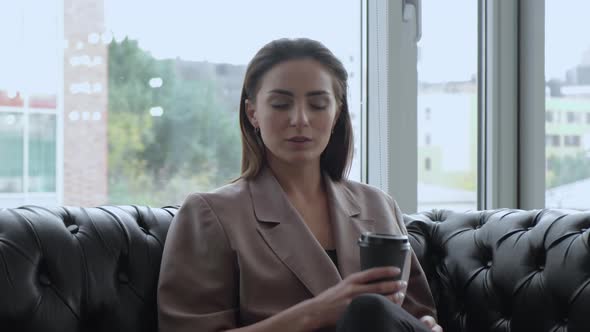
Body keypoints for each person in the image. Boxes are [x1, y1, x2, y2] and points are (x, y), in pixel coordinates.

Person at [157, 38, 442, 332]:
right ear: (253, 112)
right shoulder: (210, 215)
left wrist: (427, 324)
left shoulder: (379, 206)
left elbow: (417, 314)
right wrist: (316, 312)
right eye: (281, 104)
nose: (300, 119)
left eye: (318, 105)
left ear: (336, 114)